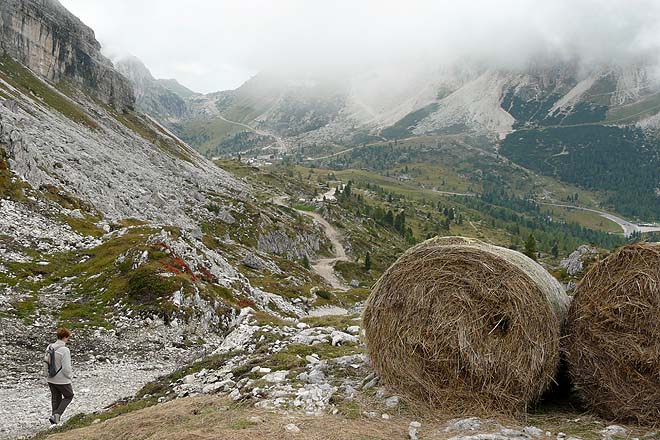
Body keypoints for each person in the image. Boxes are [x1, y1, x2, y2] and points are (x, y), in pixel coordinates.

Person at [44, 327, 74, 425]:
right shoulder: (65, 350)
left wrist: (46, 374)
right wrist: (69, 377)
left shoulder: (50, 347)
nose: (68, 339)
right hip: (62, 380)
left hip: (50, 378)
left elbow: (46, 362)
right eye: (68, 337)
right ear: (65, 337)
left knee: (55, 398)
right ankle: (57, 415)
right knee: (69, 395)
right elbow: (66, 368)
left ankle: (54, 421)